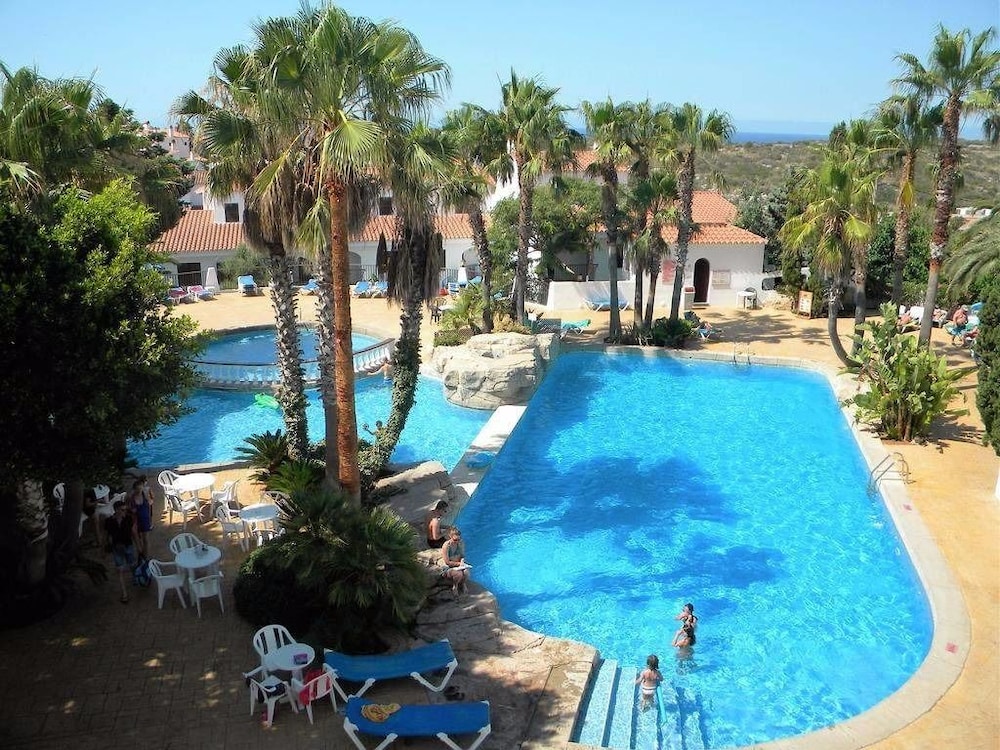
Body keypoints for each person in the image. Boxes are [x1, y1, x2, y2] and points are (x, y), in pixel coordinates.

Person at [105, 500, 139, 603]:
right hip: (117, 548)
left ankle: (135, 578)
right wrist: (104, 548)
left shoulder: (128, 519)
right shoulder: (109, 521)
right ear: (116, 510)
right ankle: (124, 594)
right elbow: (107, 536)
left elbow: (134, 533)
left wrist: (139, 546)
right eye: (122, 510)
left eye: (125, 510)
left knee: (132, 565)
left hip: (128, 546)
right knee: (120, 570)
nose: (125, 512)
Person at [128, 476, 154, 557]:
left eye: (140, 489)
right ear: (134, 489)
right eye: (137, 489)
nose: (139, 491)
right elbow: (128, 508)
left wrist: (150, 519)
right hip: (136, 520)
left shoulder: (145, 495)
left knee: (146, 539)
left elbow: (149, 507)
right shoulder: (131, 498)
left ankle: (146, 556)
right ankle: (141, 554)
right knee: (137, 540)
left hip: (145, 519)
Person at [440, 527, 470, 597]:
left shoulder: (461, 543)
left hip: (458, 565)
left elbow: (462, 556)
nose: (457, 541)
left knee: (467, 573)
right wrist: (459, 564)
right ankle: (455, 586)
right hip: (448, 567)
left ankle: (463, 583)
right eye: (455, 540)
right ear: (450, 537)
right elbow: (447, 562)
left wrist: (462, 561)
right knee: (459, 574)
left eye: (458, 539)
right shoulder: (446, 546)